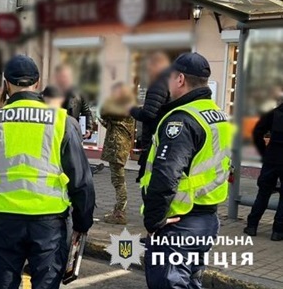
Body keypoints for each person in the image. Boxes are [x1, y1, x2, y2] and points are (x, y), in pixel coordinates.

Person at [0, 55, 95, 289]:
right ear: (37, 83)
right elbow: (81, 180)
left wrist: (0, 109)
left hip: (5, 219)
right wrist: (82, 223)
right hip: (48, 222)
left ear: (6, 84)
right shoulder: (61, 121)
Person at [141, 53, 234, 289]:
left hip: (179, 220)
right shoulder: (218, 115)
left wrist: (153, 220)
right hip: (207, 219)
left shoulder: (181, 120)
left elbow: (165, 175)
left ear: (180, 79)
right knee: (191, 282)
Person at [244, 102, 283, 241]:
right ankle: (278, 231)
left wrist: (264, 151)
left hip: (271, 158)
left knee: (263, 193)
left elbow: (257, 132)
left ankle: (252, 226)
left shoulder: (273, 113)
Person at [131, 51, 171, 183]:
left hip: (155, 139)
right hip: (163, 137)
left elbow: (149, 114)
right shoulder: (169, 82)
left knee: (148, 181)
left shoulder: (158, 84)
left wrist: (132, 110)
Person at [100, 83, 136, 225]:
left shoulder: (122, 107)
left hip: (117, 147)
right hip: (119, 146)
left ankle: (120, 213)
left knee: (118, 181)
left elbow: (104, 111)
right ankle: (118, 210)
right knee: (118, 180)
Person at [54, 64, 95, 140]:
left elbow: (86, 112)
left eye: (66, 76)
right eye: (62, 76)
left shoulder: (78, 95)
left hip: (72, 134)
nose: (64, 79)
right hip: (54, 133)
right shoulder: (49, 94)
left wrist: (88, 129)